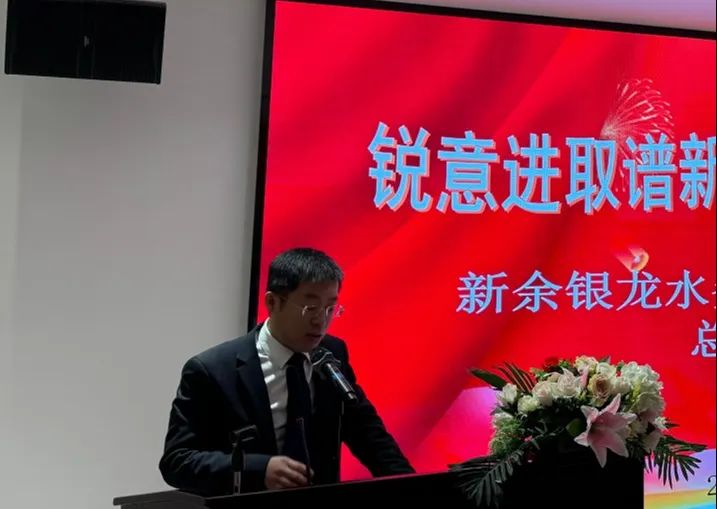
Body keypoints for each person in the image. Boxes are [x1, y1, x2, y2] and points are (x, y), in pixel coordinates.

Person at [159, 247, 414, 495]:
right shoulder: (212, 371)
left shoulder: (332, 355)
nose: (321, 320)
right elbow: (177, 461)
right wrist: (258, 469)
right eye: (310, 308)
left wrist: (417, 489)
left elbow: (370, 437)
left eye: (330, 309)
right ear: (272, 302)